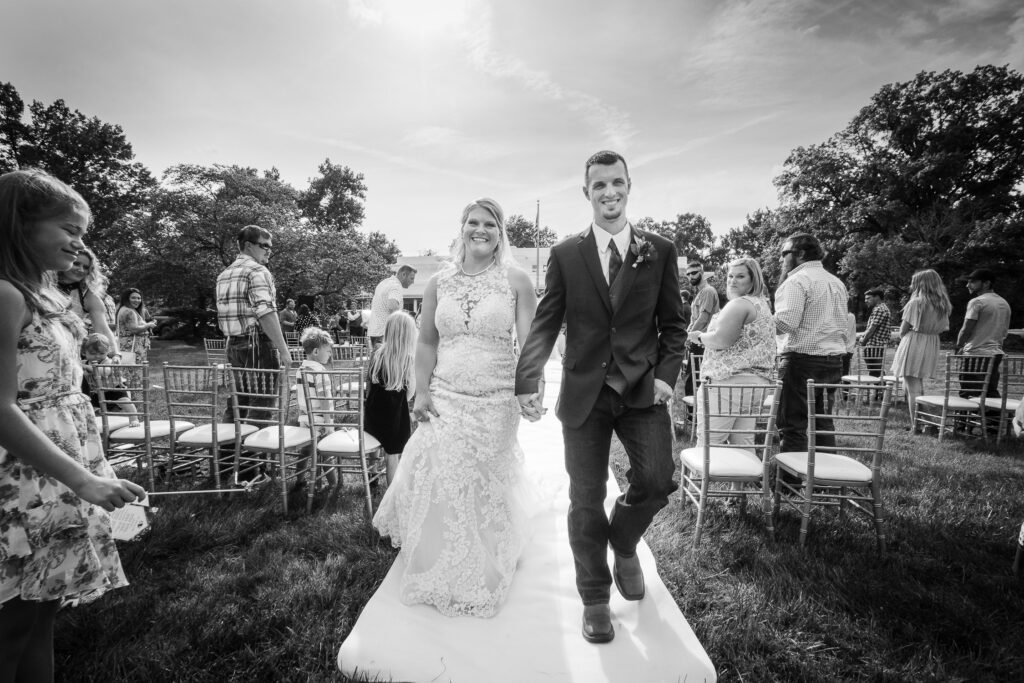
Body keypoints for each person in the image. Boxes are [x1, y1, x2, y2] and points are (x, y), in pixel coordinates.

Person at [515, 151, 687, 644]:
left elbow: (674, 327)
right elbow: (548, 320)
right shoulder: (567, 254)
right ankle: (594, 597)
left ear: (629, 185)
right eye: (598, 186)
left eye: (616, 183)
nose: (608, 193)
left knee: (656, 481)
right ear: (585, 192)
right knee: (585, 498)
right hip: (584, 394)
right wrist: (528, 379)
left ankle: (624, 542)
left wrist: (665, 378)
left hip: (641, 389)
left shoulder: (660, 249)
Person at [0, 169, 145, 681]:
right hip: (24, 480)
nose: (80, 245)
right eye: (68, 230)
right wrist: (81, 478)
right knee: (11, 624)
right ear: (20, 225)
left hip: (58, 473)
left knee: (42, 615)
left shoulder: (43, 298)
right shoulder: (5, 295)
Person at [373, 197, 538, 618]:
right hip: (445, 395)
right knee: (437, 468)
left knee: (482, 478)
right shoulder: (438, 284)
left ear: (501, 233)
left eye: (489, 224)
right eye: (472, 222)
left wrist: (529, 389)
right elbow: (426, 341)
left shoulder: (517, 281)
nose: (479, 230)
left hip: (495, 400)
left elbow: (530, 346)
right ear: (461, 228)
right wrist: (421, 391)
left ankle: (485, 561)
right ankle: (437, 557)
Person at [773, 232, 850, 453]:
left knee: (792, 425)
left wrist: (757, 320)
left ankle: (789, 484)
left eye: (784, 253)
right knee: (823, 423)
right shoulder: (836, 282)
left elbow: (786, 324)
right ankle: (825, 482)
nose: (781, 259)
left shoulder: (797, 281)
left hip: (801, 362)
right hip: (833, 362)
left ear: (800, 254)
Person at [689, 258, 776, 446]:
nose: (733, 281)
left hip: (728, 384)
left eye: (740, 276)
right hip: (756, 384)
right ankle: (751, 476)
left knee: (708, 445)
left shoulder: (739, 304)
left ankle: (700, 476)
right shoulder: (761, 304)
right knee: (742, 442)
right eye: (730, 276)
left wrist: (700, 337)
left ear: (753, 280)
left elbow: (721, 340)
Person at [215, 225, 291, 424]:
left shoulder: (224, 274)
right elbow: (266, 313)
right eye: (264, 246)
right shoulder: (257, 271)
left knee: (237, 402)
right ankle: (254, 454)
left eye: (270, 246)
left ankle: (227, 453)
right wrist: (284, 350)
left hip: (233, 346)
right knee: (261, 405)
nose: (269, 250)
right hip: (258, 345)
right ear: (248, 245)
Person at [889, 270, 951, 424]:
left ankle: (918, 424)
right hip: (931, 343)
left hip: (914, 342)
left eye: (914, 282)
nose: (911, 286)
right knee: (915, 385)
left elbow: (903, 330)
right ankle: (927, 422)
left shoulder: (916, 302)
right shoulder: (943, 304)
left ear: (921, 284)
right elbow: (943, 328)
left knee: (912, 388)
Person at [365, 311, 417, 484]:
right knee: (392, 456)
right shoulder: (408, 360)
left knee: (374, 441)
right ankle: (391, 492)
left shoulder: (377, 354)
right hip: (395, 415)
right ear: (408, 336)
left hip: (373, 413)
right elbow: (411, 391)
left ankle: (372, 472)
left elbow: (369, 384)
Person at [955, 268, 1010, 398]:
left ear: (986, 283)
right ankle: (995, 417)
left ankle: (963, 419)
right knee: (989, 391)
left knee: (968, 391)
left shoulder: (977, 302)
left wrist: (958, 346)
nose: (968, 285)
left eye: (973, 282)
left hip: (976, 353)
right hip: (996, 353)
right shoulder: (1004, 303)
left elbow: (966, 329)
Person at [56, 246, 119, 356]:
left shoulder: (88, 295)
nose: (81, 269)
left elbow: (103, 329)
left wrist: (115, 355)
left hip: (68, 353)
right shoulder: (42, 284)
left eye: (86, 267)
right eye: (76, 263)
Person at [294, 326, 337, 489]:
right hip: (320, 418)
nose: (330, 354)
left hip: (305, 418)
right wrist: (327, 422)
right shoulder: (320, 371)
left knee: (305, 450)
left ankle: (299, 479)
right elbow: (324, 398)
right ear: (316, 352)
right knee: (325, 451)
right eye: (328, 350)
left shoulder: (300, 370)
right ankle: (333, 483)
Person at [81, 333, 140, 427]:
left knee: (126, 402)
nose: (97, 356)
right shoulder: (84, 363)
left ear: (107, 351)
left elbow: (106, 371)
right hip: (98, 391)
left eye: (101, 353)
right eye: (93, 353)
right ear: (84, 352)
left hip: (114, 388)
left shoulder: (107, 361)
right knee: (89, 405)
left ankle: (134, 419)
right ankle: (92, 423)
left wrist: (88, 368)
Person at [683, 260, 720, 391]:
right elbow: (694, 319)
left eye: (694, 273)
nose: (690, 276)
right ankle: (694, 410)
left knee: (695, 383)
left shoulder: (708, 291)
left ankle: (696, 411)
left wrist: (688, 336)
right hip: (696, 341)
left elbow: (703, 319)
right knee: (691, 381)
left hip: (703, 342)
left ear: (702, 273)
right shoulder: (699, 293)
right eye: (688, 274)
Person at [367, 265, 417, 351]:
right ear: (404, 274)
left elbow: (385, 305)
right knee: (390, 363)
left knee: (378, 363)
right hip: (386, 334)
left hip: (374, 332)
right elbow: (392, 306)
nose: (413, 282)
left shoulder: (384, 283)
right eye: (411, 278)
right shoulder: (396, 286)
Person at [115, 287, 156, 387]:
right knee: (133, 371)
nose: (137, 300)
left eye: (139, 298)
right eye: (133, 298)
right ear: (126, 298)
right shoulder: (129, 311)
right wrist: (149, 325)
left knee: (128, 371)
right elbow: (134, 329)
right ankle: (134, 395)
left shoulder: (125, 309)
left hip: (128, 345)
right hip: (132, 348)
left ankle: (131, 394)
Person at [857, 287, 891, 379]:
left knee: (877, 372)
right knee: (874, 372)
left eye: (868, 298)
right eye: (865, 299)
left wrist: (863, 342)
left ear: (877, 297)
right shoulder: (879, 308)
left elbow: (872, 329)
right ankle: (877, 392)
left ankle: (881, 392)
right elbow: (870, 329)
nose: (866, 301)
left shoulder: (879, 309)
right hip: (874, 346)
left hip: (875, 346)